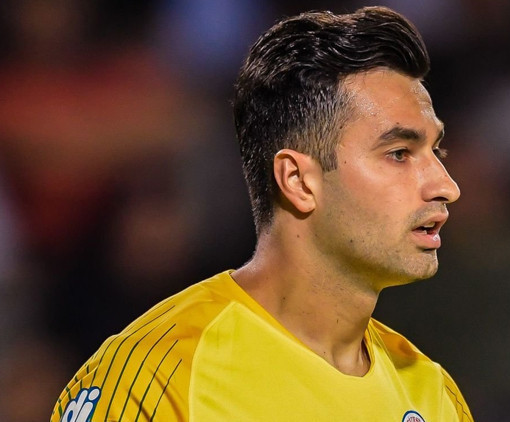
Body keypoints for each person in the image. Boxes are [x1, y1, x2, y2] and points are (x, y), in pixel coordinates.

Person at [51, 6, 472, 421]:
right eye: (399, 153)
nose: (446, 186)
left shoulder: (434, 396)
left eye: (436, 151)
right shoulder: (159, 376)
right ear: (298, 181)